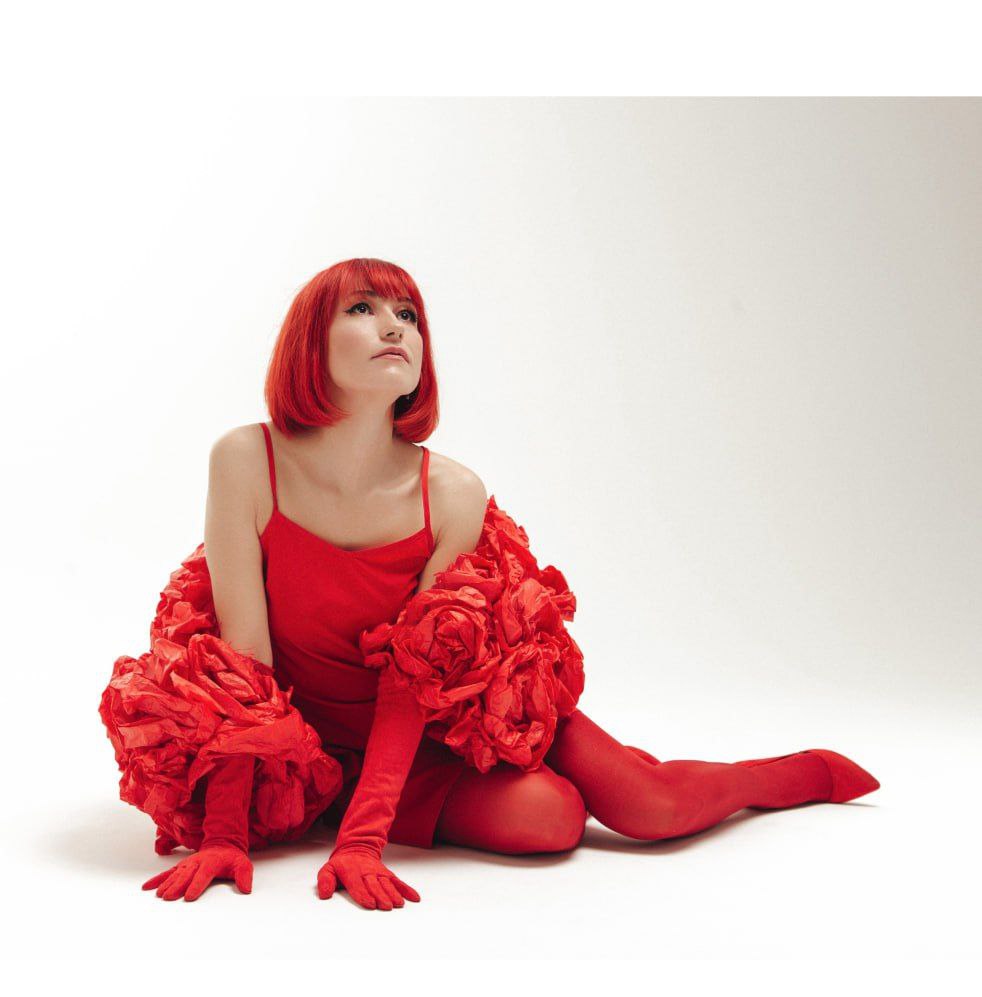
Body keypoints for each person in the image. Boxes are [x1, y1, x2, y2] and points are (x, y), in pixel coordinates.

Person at [105, 257, 880, 909]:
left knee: (648, 808)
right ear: (310, 339)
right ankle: (336, 798)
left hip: (450, 720)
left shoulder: (452, 492)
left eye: (409, 315)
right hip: (312, 747)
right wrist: (227, 835)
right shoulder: (246, 461)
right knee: (553, 822)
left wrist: (365, 841)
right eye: (363, 309)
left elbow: (415, 677)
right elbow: (240, 665)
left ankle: (796, 775)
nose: (393, 327)